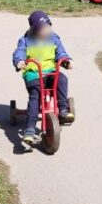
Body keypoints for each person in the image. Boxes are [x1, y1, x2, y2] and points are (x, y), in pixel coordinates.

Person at [12, 10, 74, 148]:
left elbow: (61, 52)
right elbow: (19, 52)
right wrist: (19, 61)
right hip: (34, 74)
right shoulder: (26, 41)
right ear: (34, 29)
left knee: (62, 79)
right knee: (36, 96)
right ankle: (29, 129)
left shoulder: (54, 38)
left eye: (48, 26)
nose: (47, 30)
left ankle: (63, 110)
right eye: (43, 28)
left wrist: (66, 61)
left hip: (51, 72)